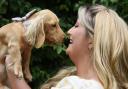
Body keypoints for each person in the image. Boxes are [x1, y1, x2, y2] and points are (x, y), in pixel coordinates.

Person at [5, 4, 128, 89]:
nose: (68, 31)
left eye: (76, 26)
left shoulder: (79, 86)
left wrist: (14, 75)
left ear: (92, 40)